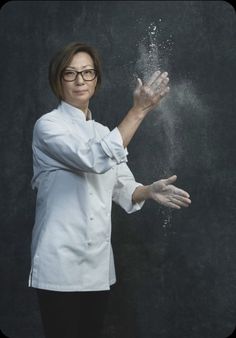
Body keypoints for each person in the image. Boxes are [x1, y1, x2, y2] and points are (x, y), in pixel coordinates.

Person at [28, 42, 191, 338]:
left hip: (97, 269)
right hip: (60, 264)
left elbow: (123, 187)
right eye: (71, 73)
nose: (80, 80)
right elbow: (94, 159)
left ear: (96, 79)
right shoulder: (47, 126)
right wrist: (139, 110)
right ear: (57, 80)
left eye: (88, 72)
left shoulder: (104, 132)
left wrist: (148, 190)